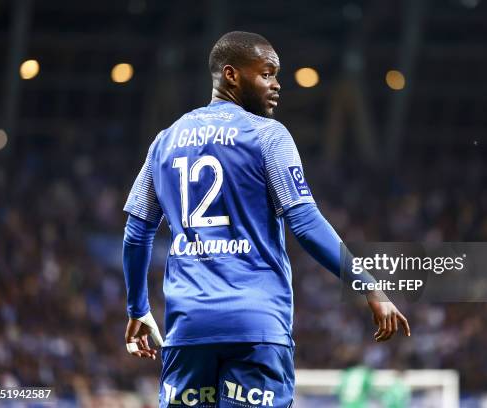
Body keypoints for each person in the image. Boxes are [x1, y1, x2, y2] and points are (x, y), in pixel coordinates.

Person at [122, 31, 410, 408]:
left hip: (189, 327)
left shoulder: (165, 141)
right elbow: (305, 223)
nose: (276, 85)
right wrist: (369, 285)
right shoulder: (267, 135)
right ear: (231, 74)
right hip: (255, 326)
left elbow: (137, 231)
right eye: (267, 74)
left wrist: (138, 309)